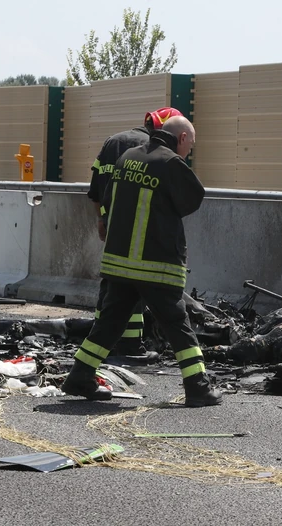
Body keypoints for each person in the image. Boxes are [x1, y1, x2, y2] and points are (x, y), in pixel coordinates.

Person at [63, 115, 222, 407]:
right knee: (177, 323)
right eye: (190, 145)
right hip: (155, 263)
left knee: (110, 323)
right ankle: (198, 387)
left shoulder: (127, 158)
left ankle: (80, 375)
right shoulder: (171, 163)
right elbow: (192, 199)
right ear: (182, 138)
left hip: (118, 262)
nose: (189, 152)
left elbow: (107, 198)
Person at [86, 107, 184, 365]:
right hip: (138, 232)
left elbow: (95, 188)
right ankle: (129, 346)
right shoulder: (151, 149)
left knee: (111, 288)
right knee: (134, 288)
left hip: (113, 226)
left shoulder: (113, 141)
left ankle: (99, 346)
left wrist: (101, 219)